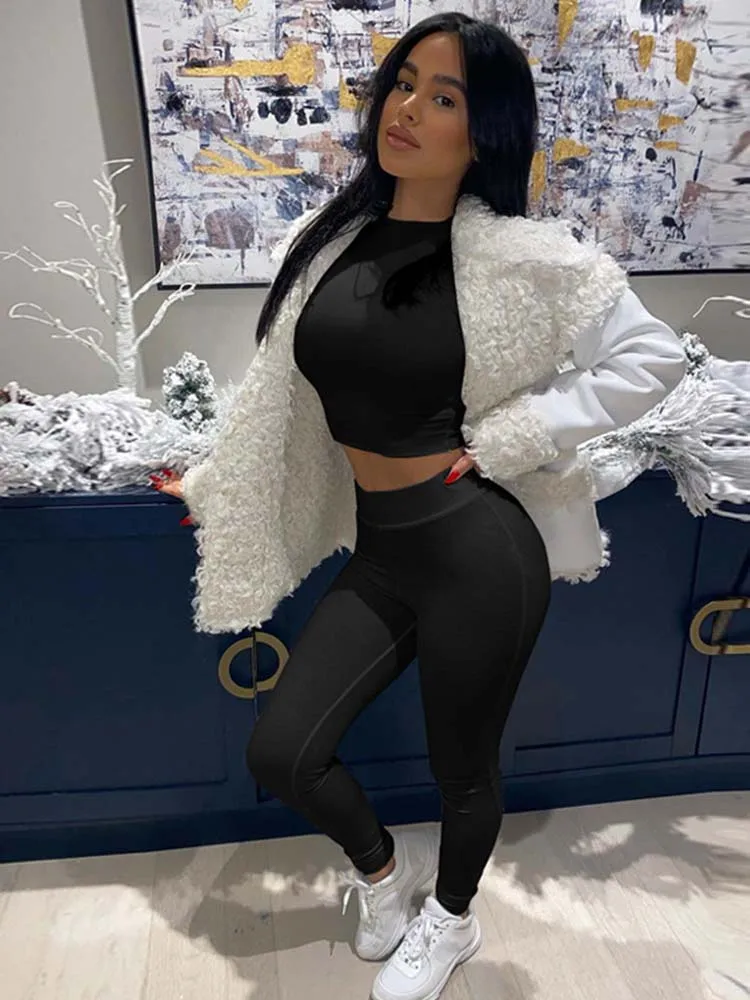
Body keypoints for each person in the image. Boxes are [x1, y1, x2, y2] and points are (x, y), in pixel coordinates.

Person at [152, 12, 686, 1000]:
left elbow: (652, 357)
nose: (407, 108)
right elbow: (282, 397)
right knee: (283, 751)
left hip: (477, 547)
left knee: (462, 768)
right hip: (384, 548)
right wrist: (220, 477)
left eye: (444, 97)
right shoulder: (333, 241)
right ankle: (385, 876)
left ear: (484, 132)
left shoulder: (519, 257)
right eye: (404, 84)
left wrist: (516, 435)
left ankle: (452, 920)